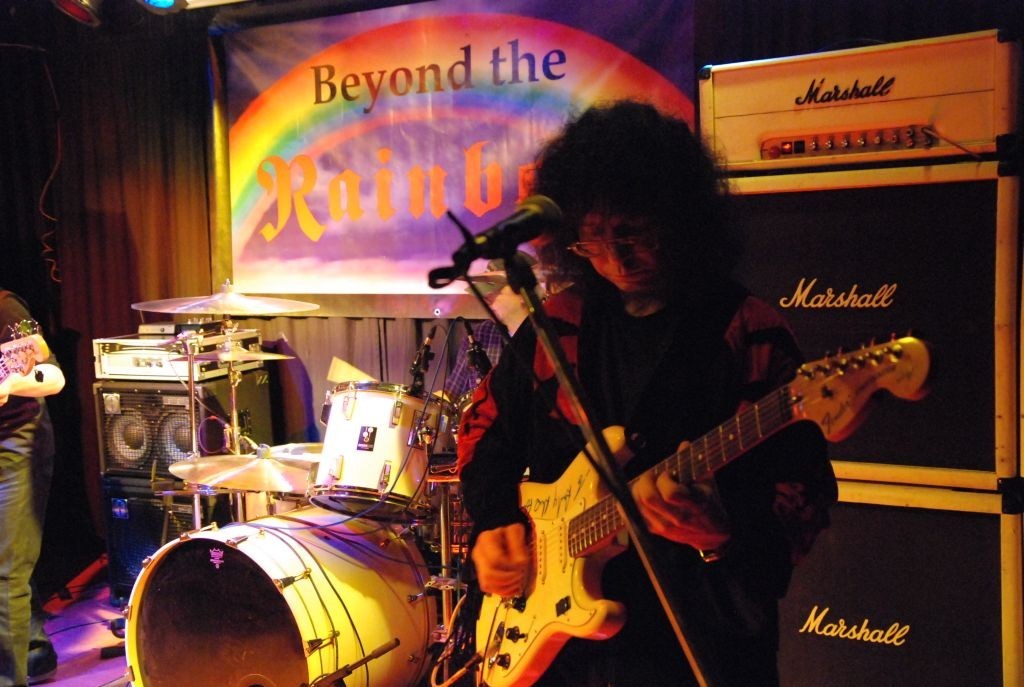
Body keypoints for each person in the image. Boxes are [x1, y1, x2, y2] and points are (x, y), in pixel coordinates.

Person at [456, 101, 837, 686]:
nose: (616, 257)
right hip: (562, 649)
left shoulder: (745, 329)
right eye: (593, 238)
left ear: (680, 219)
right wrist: (494, 521)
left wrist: (722, 533)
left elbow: (805, 496)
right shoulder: (558, 324)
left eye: (633, 233)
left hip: (696, 643)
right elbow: (484, 431)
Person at [0, 290, 65, 687]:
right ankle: (35, 651)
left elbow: (52, 375)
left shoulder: (5, 308)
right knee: (10, 555)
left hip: (14, 441)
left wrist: (12, 382)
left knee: (7, 568)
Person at [444, 252, 546, 405]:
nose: (487, 296)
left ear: (523, 293)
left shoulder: (550, 339)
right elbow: (450, 395)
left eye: (496, 288)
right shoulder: (480, 335)